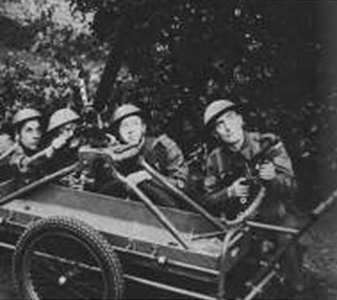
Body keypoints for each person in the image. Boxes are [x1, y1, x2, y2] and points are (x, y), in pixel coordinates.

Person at [202, 99, 304, 295]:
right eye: (220, 125)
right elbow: (207, 200)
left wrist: (273, 178)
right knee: (234, 279)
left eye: (230, 119)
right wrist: (228, 193)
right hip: (238, 224)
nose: (228, 127)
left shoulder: (267, 144)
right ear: (216, 134)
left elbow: (292, 186)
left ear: (241, 120)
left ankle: (292, 286)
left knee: (288, 246)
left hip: (275, 216)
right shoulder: (215, 159)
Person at [101, 103, 188, 208]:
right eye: (125, 126)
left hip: (169, 211)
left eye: (135, 124)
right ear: (118, 132)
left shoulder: (163, 147)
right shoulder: (114, 155)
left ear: (143, 128)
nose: (130, 130)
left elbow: (182, 186)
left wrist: (149, 177)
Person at [9, 107, 76, 180]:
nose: (36, 135)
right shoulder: (10, 150)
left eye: (38, 130)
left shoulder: (37, 149)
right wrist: (52, 149)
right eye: (29, 130)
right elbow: (24, 165)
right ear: (18, 134)